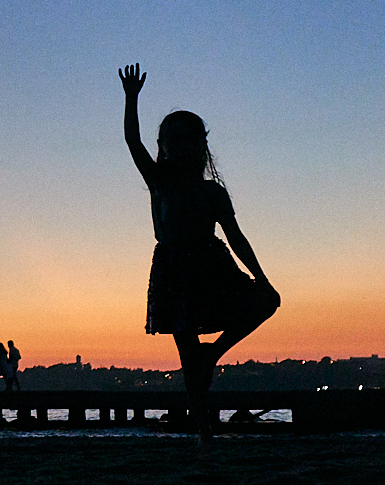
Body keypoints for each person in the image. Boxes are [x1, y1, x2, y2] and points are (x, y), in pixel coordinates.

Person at [119, 63, 280, 441]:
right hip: (174, 270)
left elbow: (237, 238)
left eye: (186, 141)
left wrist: (262, 277)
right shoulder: (159, 182)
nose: (177, 148)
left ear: (199, 147)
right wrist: (131, 99)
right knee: (187, 353)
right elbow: (132, 142)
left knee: (266, 301)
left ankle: (215, 355)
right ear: (164, 149)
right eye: (169, 142)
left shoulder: (213, 193)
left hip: (210, 264)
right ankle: (204, 430)